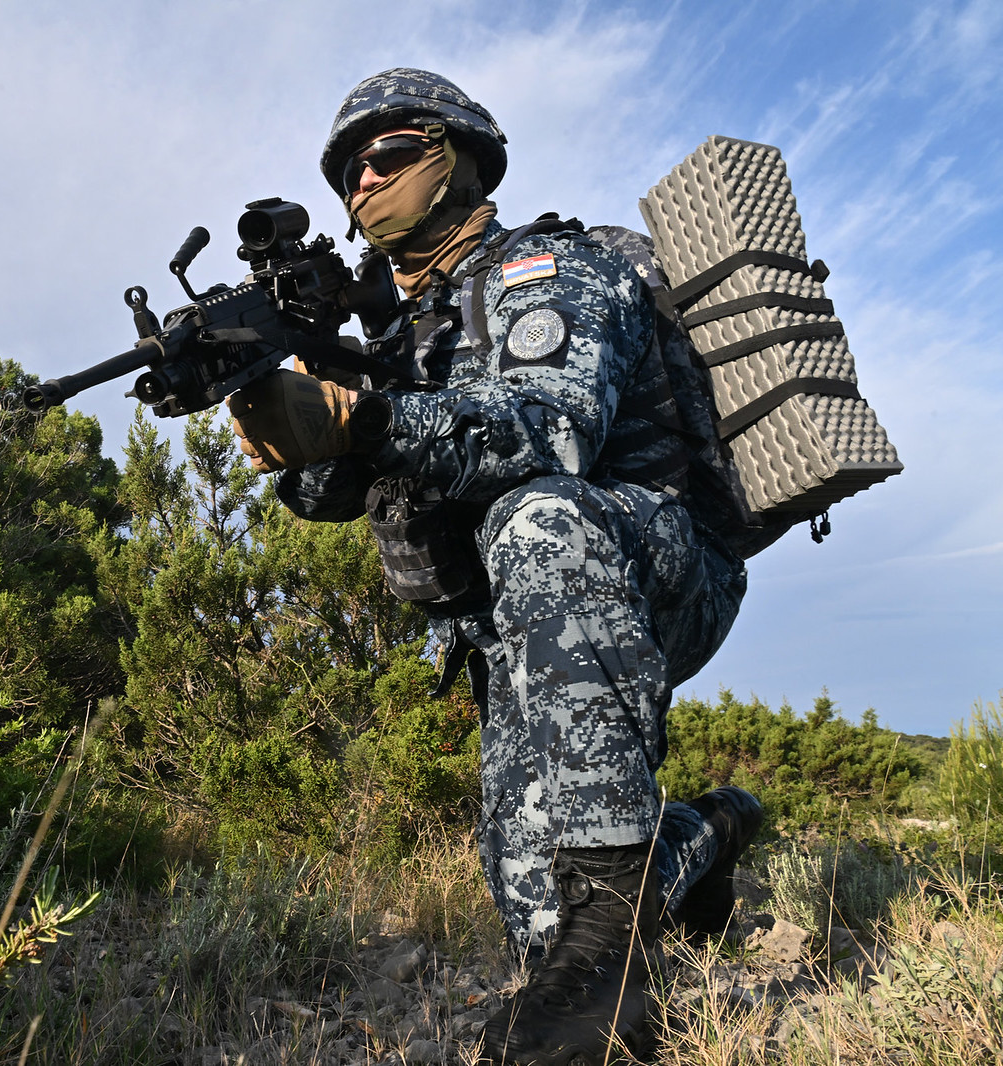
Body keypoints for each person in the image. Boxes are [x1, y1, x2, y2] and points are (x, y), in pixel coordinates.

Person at [225, 69, 765, 1065]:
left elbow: (550, 429)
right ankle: (699, 837)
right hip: (520, 627)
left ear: (461, 155)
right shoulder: (401, 334)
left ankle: (614, 964)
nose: (360, 182)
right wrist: (295, 428)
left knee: (534, 513)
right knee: (534, 910)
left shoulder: (547, 270)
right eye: (346, 170)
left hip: (654, 568)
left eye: (385, 155)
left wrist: (365, 416)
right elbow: (329, 495)